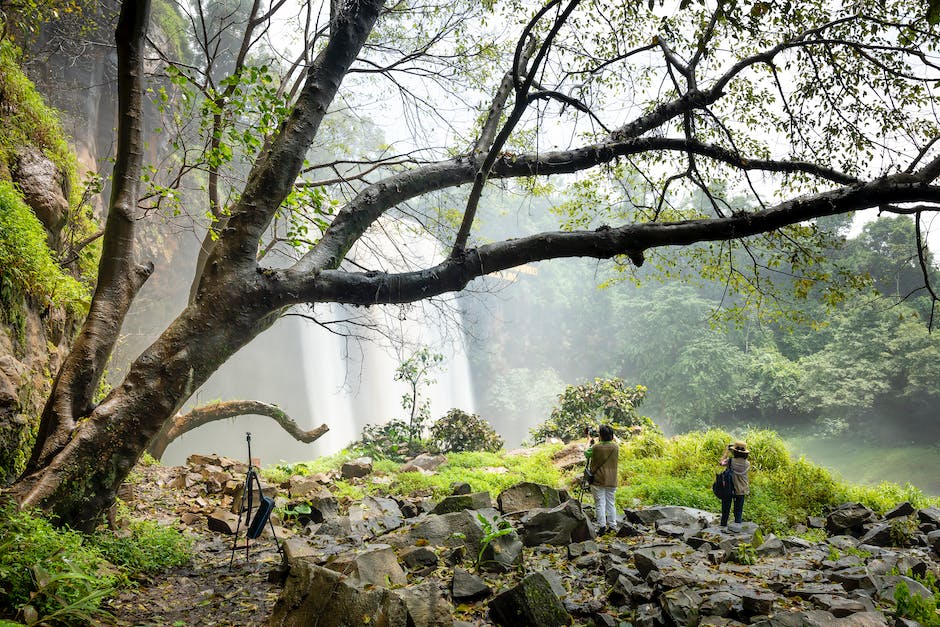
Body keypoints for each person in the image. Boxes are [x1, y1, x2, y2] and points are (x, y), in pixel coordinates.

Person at [586, 424, 619, 534]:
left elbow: (586, 453)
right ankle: (613, 525)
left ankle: (602, 526)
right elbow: (614, 440)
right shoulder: (616, 447)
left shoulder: (595, 447)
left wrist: (589, 440)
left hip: (598, 479)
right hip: (612, 479)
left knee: (600, 503)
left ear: (600, 436)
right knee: (611, 502)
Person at [719, 440, 750, 527]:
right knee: (738, 511)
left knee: (725, 510)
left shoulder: (730, 461)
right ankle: (737, 528)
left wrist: (727, 451)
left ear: (734, 451)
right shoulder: (747, 464)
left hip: (729, 489)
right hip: (741, 490)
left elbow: (721, 463)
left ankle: (723, 526)